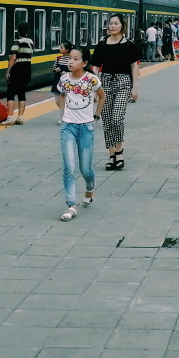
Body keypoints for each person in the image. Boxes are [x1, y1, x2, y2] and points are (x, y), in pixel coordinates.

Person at [54, 45, 104, 222]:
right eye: (70, 58)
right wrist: (63, 115)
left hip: (86, 127)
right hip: (68, 127)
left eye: (75, 59)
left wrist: (96, 117)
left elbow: (101, 96)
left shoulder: (91, 79)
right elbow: (61, 96)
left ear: (84, 62)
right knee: (69, 166)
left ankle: (90, 186)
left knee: (85, 169)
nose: (71, 61)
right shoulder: (64, 79)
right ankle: (71, 205)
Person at [90, 13, 142, 171]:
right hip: (105, 83)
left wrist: (135, 87)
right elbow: (95, 66)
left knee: (117, 118)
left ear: (122, 26)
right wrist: (94, 88)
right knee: (106, 120)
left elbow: (134, 66)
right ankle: (111, 154)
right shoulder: (102, 44)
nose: (112, 26)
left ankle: (119, 151)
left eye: (115, 23)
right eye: (110, 23)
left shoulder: (129, 45)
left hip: (123, 82)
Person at [5, 21, 35, 124]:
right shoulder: (30, 42)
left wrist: (8, 71)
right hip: (27, 69)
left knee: (11, 93)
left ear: (18, 30)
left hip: (17, 68)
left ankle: (10, 117)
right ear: (27, 31)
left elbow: (13, 57)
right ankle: (20, 117)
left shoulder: (17, 42)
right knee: (22, 93)